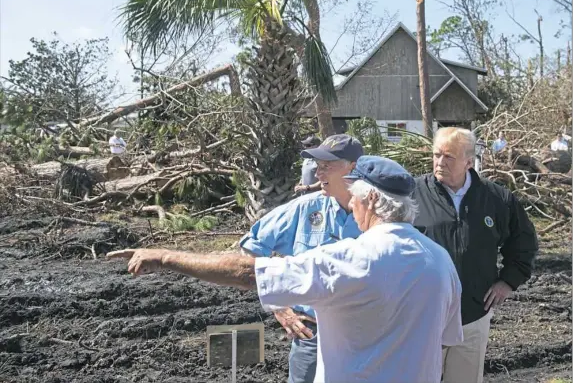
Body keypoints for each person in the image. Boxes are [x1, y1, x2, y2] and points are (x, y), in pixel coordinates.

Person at [106, 155, 463, 383]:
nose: (350, 203)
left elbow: (249, 271)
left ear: (370, 199)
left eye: (354, 195)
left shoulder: (351, 258)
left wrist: (166, 257)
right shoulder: (440, 261)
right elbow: (445, 341)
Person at [413, 127, 538, 383]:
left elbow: (523, 243)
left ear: (469, 162)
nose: (440, 162)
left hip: (472, 315)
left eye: (449, 156)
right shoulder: (414, 195)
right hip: (423, 318)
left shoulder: (497, 199)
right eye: (437, 154)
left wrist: (508, 281)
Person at [241, 133, 364, 383]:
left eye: (327, 166)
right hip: (311, 335)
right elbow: (251, 247)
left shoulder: (377, 212)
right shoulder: (304, 208)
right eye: (318, 166)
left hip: (364, 337)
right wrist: (279, 306)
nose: (318, 174)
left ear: (353, 168)